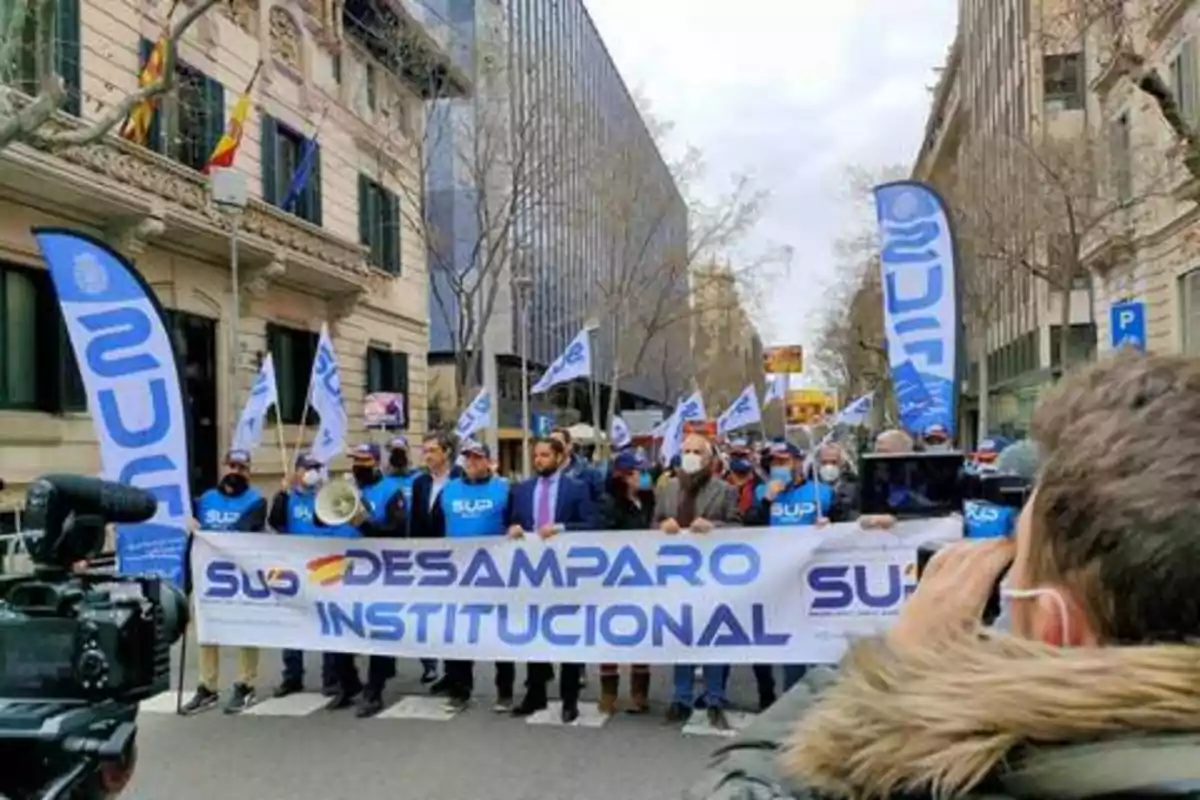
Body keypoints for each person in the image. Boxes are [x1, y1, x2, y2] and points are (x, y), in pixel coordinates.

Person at [687, 353, 1200, 800]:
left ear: (1056, 626)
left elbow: (741, 783)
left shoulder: (942, 773)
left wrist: (895, 663)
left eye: (1019, 558)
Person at [506, 436, 599, 722]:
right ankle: (535, 693)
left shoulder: (577, 489)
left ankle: (569, 698)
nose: (539, 461)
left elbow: (593, 524)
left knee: (567, 632)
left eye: (545, 455)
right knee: (534, 631)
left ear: (559, 458)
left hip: (565, 573)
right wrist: (513, 528)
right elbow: (510, 521)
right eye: (536, 456)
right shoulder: (522, 490)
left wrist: (561, 528)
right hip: (532, 572)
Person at [655, 432, 740, 729]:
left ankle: (715, 697)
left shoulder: (725, 490)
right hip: (677, 575)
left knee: (715, 635)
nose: (691, 456)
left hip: (714, 576)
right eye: (687, 450)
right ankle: (681, 697)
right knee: (683, 635)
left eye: (697, 451)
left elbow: (740, 528)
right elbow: (653, 524)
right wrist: (661, 525)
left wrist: (715, 527)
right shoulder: (668, 489)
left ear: (709, 458)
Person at [181, 449, 268, 715]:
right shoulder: (205, 500)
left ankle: (246, 684)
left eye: (242, 468)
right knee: (207, 631)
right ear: (223, 467)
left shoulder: (257, 501)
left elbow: (245, 529)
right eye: (232, 466)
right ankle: (207, 687)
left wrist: (207, 534)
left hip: (241, 577)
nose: (236, 472)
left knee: (245, 630)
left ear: (249, 472)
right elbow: (189, 536)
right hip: (209, 578)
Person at [326, 443, 407, 717]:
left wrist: (364, 522)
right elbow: (321, 517)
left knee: (376, 630)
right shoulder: (347, 489)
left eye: (363, 459)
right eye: (354, 460)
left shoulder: (390, 492)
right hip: (342, 570)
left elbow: (396, 531)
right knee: (340, 628)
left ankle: (374, 690)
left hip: (377, 573)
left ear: (375, 462)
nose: (357, 465)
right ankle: (348, 684)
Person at [437, 439, 515, 713]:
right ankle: (460, 691)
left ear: (488, 462)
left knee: (499, 634)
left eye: (478, 458)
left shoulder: (504, 489)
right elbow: (434, 531)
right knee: (460, 634)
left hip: (496, 573)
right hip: (457, 574)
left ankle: (504, 692)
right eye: (468, 458)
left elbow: (516, 522)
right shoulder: (449, 491)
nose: (472, 462)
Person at [267, 452, 338, 698]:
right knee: (294, 625)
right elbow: (276, 523)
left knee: (328, 623)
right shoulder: (289, 498)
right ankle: (292, 677)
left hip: (324, 570)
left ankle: (331, 678)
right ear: (297, 471)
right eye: (307, 467)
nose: (312, 472)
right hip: (296, 570)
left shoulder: (326, 498)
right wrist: (282, 495)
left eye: (316, 467)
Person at [596, 449, 654, 715]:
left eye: (643, 472)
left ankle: (639, 693)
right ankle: (609, 693)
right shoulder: (609, 502)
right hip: (616, 577)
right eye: (637, 472)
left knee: (642, 634)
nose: (643, 477)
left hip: (644, 577)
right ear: (623, 475)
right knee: (611, 634)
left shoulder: (649, 500)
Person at [409, 431, 459, 686]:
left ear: (446, 452)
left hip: (456, 560)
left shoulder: (460, 480)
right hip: (426, 559)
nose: (426, 456)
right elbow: (415, 522)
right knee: (431, 616)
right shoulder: (419, 483)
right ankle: (433, 666)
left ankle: (456, 676)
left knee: (454, 619)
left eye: (432, 451)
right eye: (424, 450)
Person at [748, 441, 842, 527]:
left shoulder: (822, 491)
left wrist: (830, 526)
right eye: (773, 463)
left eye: (782, 462)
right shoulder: (761, 492)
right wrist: (766, 501)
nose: (777, 467)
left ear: (798, 463)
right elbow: (750, 527)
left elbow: (843, 525)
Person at [550, 426, 603, 500]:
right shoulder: (544, 476)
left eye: (557, 443)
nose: (553, 448)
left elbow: (601, 504)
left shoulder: (590, 474)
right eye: (550, 444)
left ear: (569, 446)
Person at [725, 440, 762, 519]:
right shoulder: (719, 486)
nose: (739, 459)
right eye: (735, 455)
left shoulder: (762, 486)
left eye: (743, 455)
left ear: (752, 456)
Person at [385, 435, 418, 513]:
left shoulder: (418, 480)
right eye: (395, 453)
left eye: (401, 453)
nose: (398, 458)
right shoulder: (382, 481)